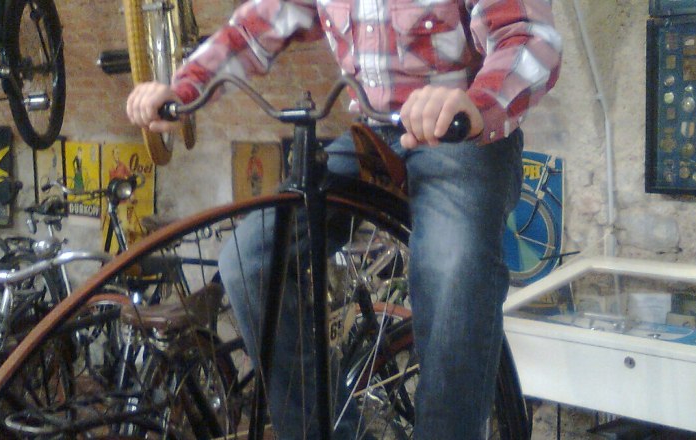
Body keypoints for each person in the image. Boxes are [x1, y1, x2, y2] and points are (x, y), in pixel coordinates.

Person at [126, 0, 562, 437]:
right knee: (252, 257)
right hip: (376, 133)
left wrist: (474, 101)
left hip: (459, 134)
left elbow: (528, 36)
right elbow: (256, 27)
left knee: (452, 268)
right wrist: (185, 86)